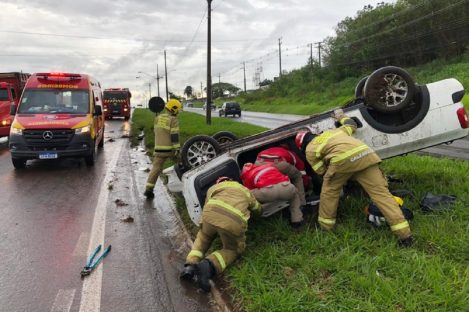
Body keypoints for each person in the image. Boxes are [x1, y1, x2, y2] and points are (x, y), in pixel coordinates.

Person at [295, 109, 413, 246]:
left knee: (329, 192)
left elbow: (321, 171)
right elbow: (351, 124)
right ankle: (405, 235)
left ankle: (325, 228)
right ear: (312, 134)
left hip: (342, 162)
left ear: (302, 146)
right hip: (366, 156)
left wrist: (340, 177)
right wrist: (340, 116)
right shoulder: (334, 132)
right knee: (382, 195)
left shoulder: (309, 149)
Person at [181, 176, 261, 292]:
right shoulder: (244, 190)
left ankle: (190, 265)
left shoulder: (213, 188)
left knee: (204, 236)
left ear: (220, 182)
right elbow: (257, 208)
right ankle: (207, 267)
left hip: (209, 215)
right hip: (232, 222)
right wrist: (260, 214)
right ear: (232, 181)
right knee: (232, 250)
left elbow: (207, 203)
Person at [240, 162, 303, 228]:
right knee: (295, 196)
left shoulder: (248, 175)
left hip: (267, 192)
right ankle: (296, 221)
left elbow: (249, 190)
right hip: (285, 187)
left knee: (246, 194)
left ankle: (252, 220)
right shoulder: (269, 166)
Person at [144, 99, 182, 199]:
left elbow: (156, 132)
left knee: (156, 169)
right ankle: (184, 185)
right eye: (177, 110)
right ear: (174, 109)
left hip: (158, 150)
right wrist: (177, 149)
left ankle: (149, 189)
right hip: (170, 150)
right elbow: (174, 136)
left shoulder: (157, 118)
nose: (178, 113)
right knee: (182, 163)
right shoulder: (173, 120)